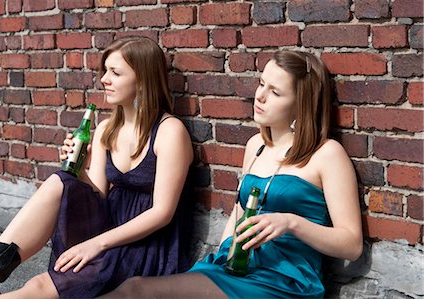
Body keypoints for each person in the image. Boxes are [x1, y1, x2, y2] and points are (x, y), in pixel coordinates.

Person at [100, 50, 363, 299]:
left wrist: (290, 222)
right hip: (233, 266)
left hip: (284, 280)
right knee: (136, 289)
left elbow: (351, 245)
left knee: (137, 290)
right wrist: (222, 250)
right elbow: (239, 210)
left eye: (275, 92)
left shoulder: (327, 154)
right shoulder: (256, 146)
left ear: (300, 105)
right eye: (262, 84)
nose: (260, 96)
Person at [0, 36, 193, 299]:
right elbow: (98, 194)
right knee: (60, 180)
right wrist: (78, 171)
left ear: (143, 79)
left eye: (115, 72)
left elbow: (162, 213)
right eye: (105, 71)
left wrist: (95, 244)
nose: (104, 80)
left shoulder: (170, 132)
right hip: (105, 227)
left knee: (40, 288)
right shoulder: (106, 128)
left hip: (142, 243)